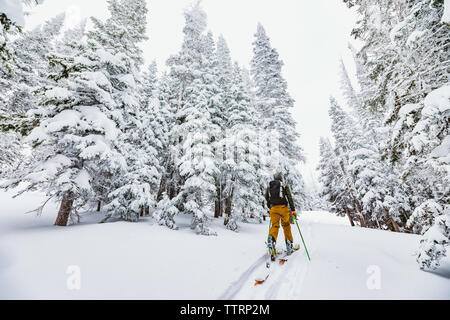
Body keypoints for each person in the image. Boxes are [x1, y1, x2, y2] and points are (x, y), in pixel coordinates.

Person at [265, 172, 297, 255]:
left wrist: (270, 207)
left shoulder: (269, 186)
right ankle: (289, 245)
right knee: (286, 225)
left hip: (273, 209)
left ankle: (271, 240)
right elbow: (289, 197)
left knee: (275, 226)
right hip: (283, 208)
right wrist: (293, 209)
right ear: (280, 178)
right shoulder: (284, 185)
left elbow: (266, 198)